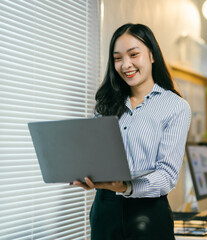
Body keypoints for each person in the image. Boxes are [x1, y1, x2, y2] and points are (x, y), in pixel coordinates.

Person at [72, 23, 191, 240]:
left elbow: (167, 175)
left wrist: (127, 187)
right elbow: (95, 158)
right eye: (117, 58)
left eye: (133, 54)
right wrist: (85, 174)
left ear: (152, 55)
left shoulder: (175, 107)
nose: (126, 64)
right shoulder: (105, 105)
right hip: (105, 209)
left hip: (149, 212)